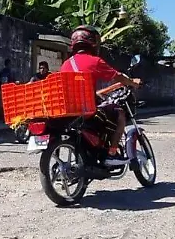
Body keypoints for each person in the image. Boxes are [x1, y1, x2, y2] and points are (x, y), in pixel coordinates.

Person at [59, 26, 140, 166]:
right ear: (92, 43)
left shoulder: (66, 64)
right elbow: (117, 76)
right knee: (120, 114)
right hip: (87, 110)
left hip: (71, 110)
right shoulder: (94, 61)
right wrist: (132, 82)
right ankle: (112, 153)